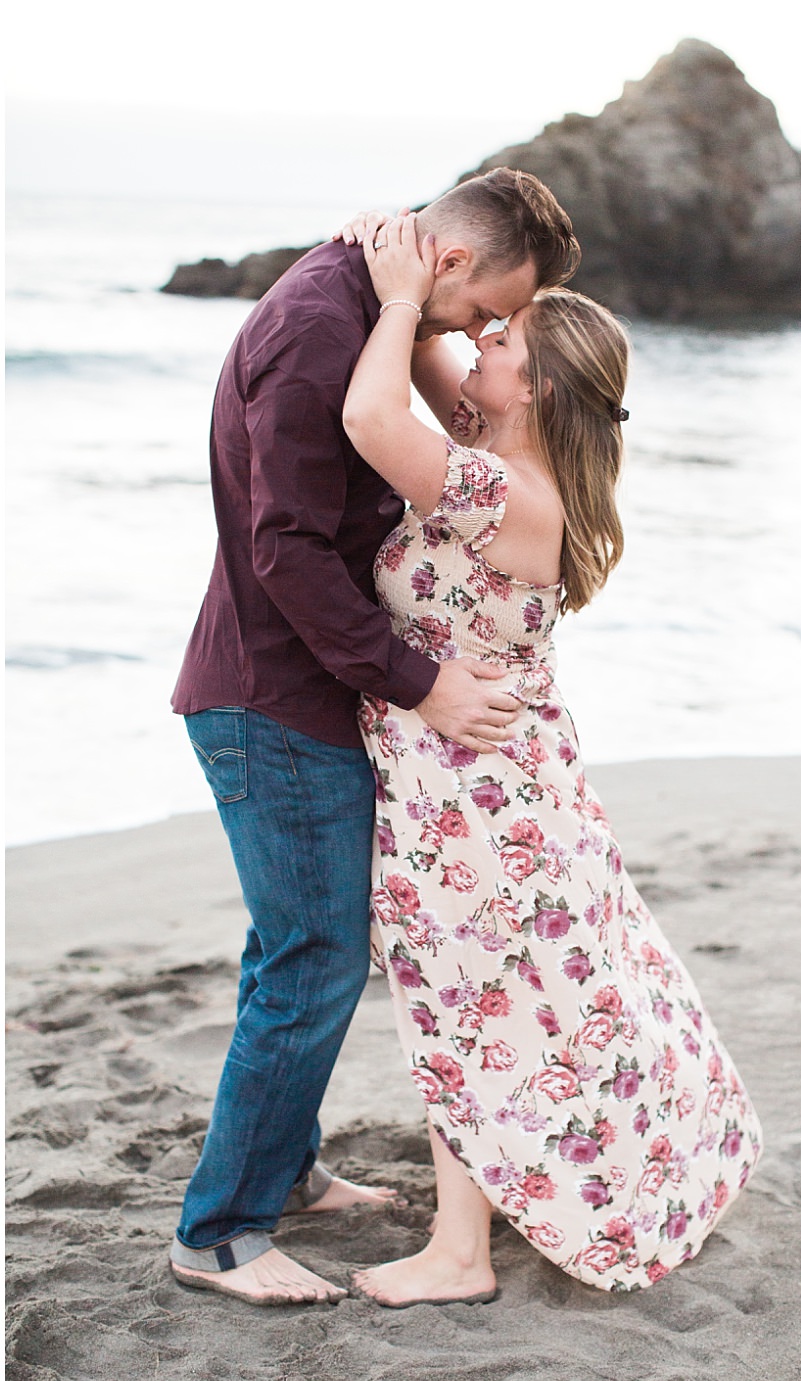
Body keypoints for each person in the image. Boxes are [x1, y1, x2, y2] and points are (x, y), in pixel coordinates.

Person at [167, 170, 581, 1306]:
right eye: (486, 308)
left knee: (298, 950)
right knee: (314, 962)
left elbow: (425, 438)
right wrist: (423, 686)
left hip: (303, 691)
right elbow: (284, 549)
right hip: (273, 698)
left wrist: (394, 274)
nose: (485, 334)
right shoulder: (320, 327)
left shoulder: (369, 303)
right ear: (446, 263)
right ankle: (221, 1232)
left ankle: (286, 1171)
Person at [339, 213, 763, 1306]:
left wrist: (394, 301)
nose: (478, 342)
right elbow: (434, 357)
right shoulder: (495, 454)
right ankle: (483, 1222)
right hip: (486, 773)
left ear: (532, 389)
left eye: (504, 340)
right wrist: (399, 261)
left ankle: (460, 1255)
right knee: (508, 995)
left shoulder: (505, 495)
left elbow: (372, 409)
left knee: (465, 1000)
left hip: (473, 789)